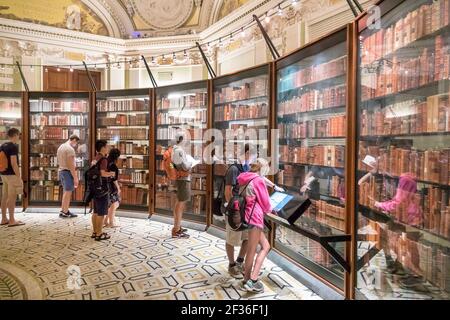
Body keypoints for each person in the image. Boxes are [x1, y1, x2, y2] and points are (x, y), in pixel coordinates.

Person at [237, 158, 272, 293]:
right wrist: (271, 208)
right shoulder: (258, 180)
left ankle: (248, 279)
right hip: (255, 217)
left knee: (265, 246)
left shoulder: (245, 177)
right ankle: (251, 280)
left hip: (247, 215)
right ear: (262, 169)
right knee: (252, 249)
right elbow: (266, 203)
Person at [91, 140, 115, 241]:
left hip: (94, 187)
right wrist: (111, 174)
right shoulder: (103, 159)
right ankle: (99, 234)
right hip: (102, 188)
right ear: (103, 148)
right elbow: (102, 173)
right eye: (107, 146)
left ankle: (95, 231)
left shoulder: (96, 158)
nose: (108, 148)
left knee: (96, 211)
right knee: (101, 212)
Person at [171, 132, 193, 238]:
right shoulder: (179, 151)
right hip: (183, 179)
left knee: (179, 202)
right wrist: (191, 163)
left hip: (181, 179)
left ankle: (177, 226)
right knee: (180, 204)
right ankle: (176, 230)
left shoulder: (176, 150)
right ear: (182, 139)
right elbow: (184, 166)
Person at [0, 128, 24, 227]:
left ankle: (4, 218)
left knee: (4, 196)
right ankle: (12, 220)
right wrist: (19, 176)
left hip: (3, 173)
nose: (19, 137)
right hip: (11, 175)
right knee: (12, 197)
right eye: (18, 135)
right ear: (15, 135)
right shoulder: (13, 146)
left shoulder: (3, 145)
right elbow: (14, 163)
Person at [56, 135, 80, 218]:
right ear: (73, 140)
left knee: (65, 192)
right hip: (67, 172)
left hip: (61, 171)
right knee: (68, 192)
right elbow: (71, 165)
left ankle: (63, 210)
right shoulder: (70, 149)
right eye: (76, 142)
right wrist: (75, 177)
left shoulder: (61, 147)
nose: (76, 145)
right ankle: (65, 212)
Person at [104, 148, 121, 228]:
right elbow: (114, 179)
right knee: (114, 204)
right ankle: (111, 223)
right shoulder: (113, 165)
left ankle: (105, 221)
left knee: (110, 204)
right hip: (111, 187)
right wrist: (118, 188)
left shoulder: (106, 161)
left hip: (105, 185)